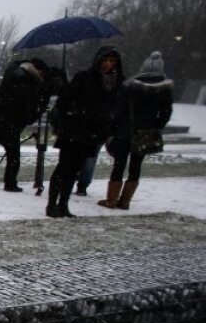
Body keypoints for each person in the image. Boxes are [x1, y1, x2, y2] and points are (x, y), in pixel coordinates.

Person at [44, 45, 125, 218]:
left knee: (75, 170)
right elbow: (65, 101)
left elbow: (115, 108)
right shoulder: (85, 78)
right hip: (74, 131)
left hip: (92, 133)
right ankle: (52, 204)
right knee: (64, 168)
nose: (107, 64)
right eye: (105, 60)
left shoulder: (116, 84)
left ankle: (63, 204)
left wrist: (108, 125)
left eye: (111, 61)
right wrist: (76, 113)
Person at [99, 51, 174, 210]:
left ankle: (111, 199)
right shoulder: (165, 89)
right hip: (146, 133)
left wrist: (112, 129)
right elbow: (166, 113)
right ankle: (125, 201)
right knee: (136, 165)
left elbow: (119, 110)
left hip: (125, 130)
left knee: (119, 164)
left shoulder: (130, 86)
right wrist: (155, 126)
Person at [0, 57, 60, 192]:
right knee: (13, 155)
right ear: (38, 71)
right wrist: (44, 106)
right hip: (9, 123)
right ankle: (10, 183)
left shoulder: (12, 73)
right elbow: (30, 111)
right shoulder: (28, 82)